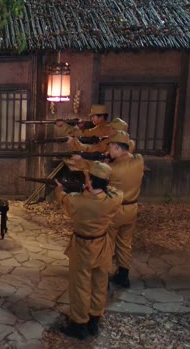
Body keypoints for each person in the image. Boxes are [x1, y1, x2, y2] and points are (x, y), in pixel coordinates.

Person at [55, 161, 123, 340]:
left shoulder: (77, 201)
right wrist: (97, 186)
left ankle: (79, 324)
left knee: (80, 286)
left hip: (83, 247)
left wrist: (60, 189)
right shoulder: (114, 200)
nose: (85, 180)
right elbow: (116, 192)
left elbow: (63, 198)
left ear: (91, 181)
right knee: (100, 283)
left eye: (87, 178)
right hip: (102, 244)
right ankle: (94, 319)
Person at [104, 131, 144, 288]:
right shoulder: (139, 161)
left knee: (107, 244)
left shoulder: (111, 169)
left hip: (115, 210)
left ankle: (103, 278)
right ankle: (123, 275)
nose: (108, 151)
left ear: (116, 147)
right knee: (125, 243)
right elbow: (131, 145)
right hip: (132, 208)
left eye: (110, 147)